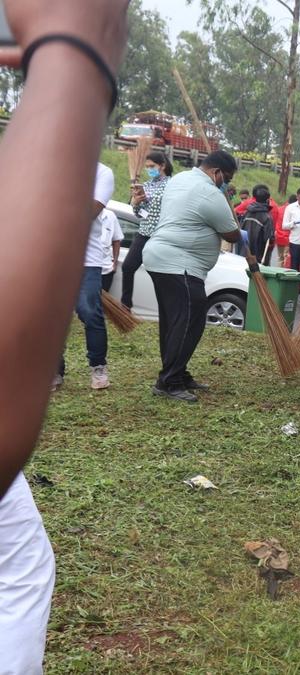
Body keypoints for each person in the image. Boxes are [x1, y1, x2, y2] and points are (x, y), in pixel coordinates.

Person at [0, 5, 130, 670]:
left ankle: (89, 370)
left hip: (71, 266)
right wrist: (76, 49)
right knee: (21, 569)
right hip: (51, 268)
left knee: (23, 562)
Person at [142, 151, 242, 402]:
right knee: (189, 323)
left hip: (160, 258)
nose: (225, 184)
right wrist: (225, 204)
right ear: (215, 172)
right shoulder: (209, 193)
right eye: (225, 178)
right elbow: (232, 234)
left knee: (174, 322)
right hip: (179, 264)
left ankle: (178, 373)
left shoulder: (181, 179)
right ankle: (169, 382)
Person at [54, 163, 118, 392]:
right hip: (52, 258)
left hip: (86, 259)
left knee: (89, 310)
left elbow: (91, 211)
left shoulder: (102, 172)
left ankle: (98, 366)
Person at [121, 151, 174, 308]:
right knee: (128, 267)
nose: (149, 169)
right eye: (147, 167)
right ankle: (125, 305)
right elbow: (140, 215)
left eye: (152, 166)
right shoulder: (146, 185)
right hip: (144, 233)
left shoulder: (172, 185)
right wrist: (136, 202)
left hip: (161, 236)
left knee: (159, 275)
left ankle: (165, 307)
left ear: (162, 166)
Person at [241, 185, 275, 264]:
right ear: (267, 199)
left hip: (244, 253)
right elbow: (269, 239)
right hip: (259, 256)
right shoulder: (267, 217)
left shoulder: (247, 212)